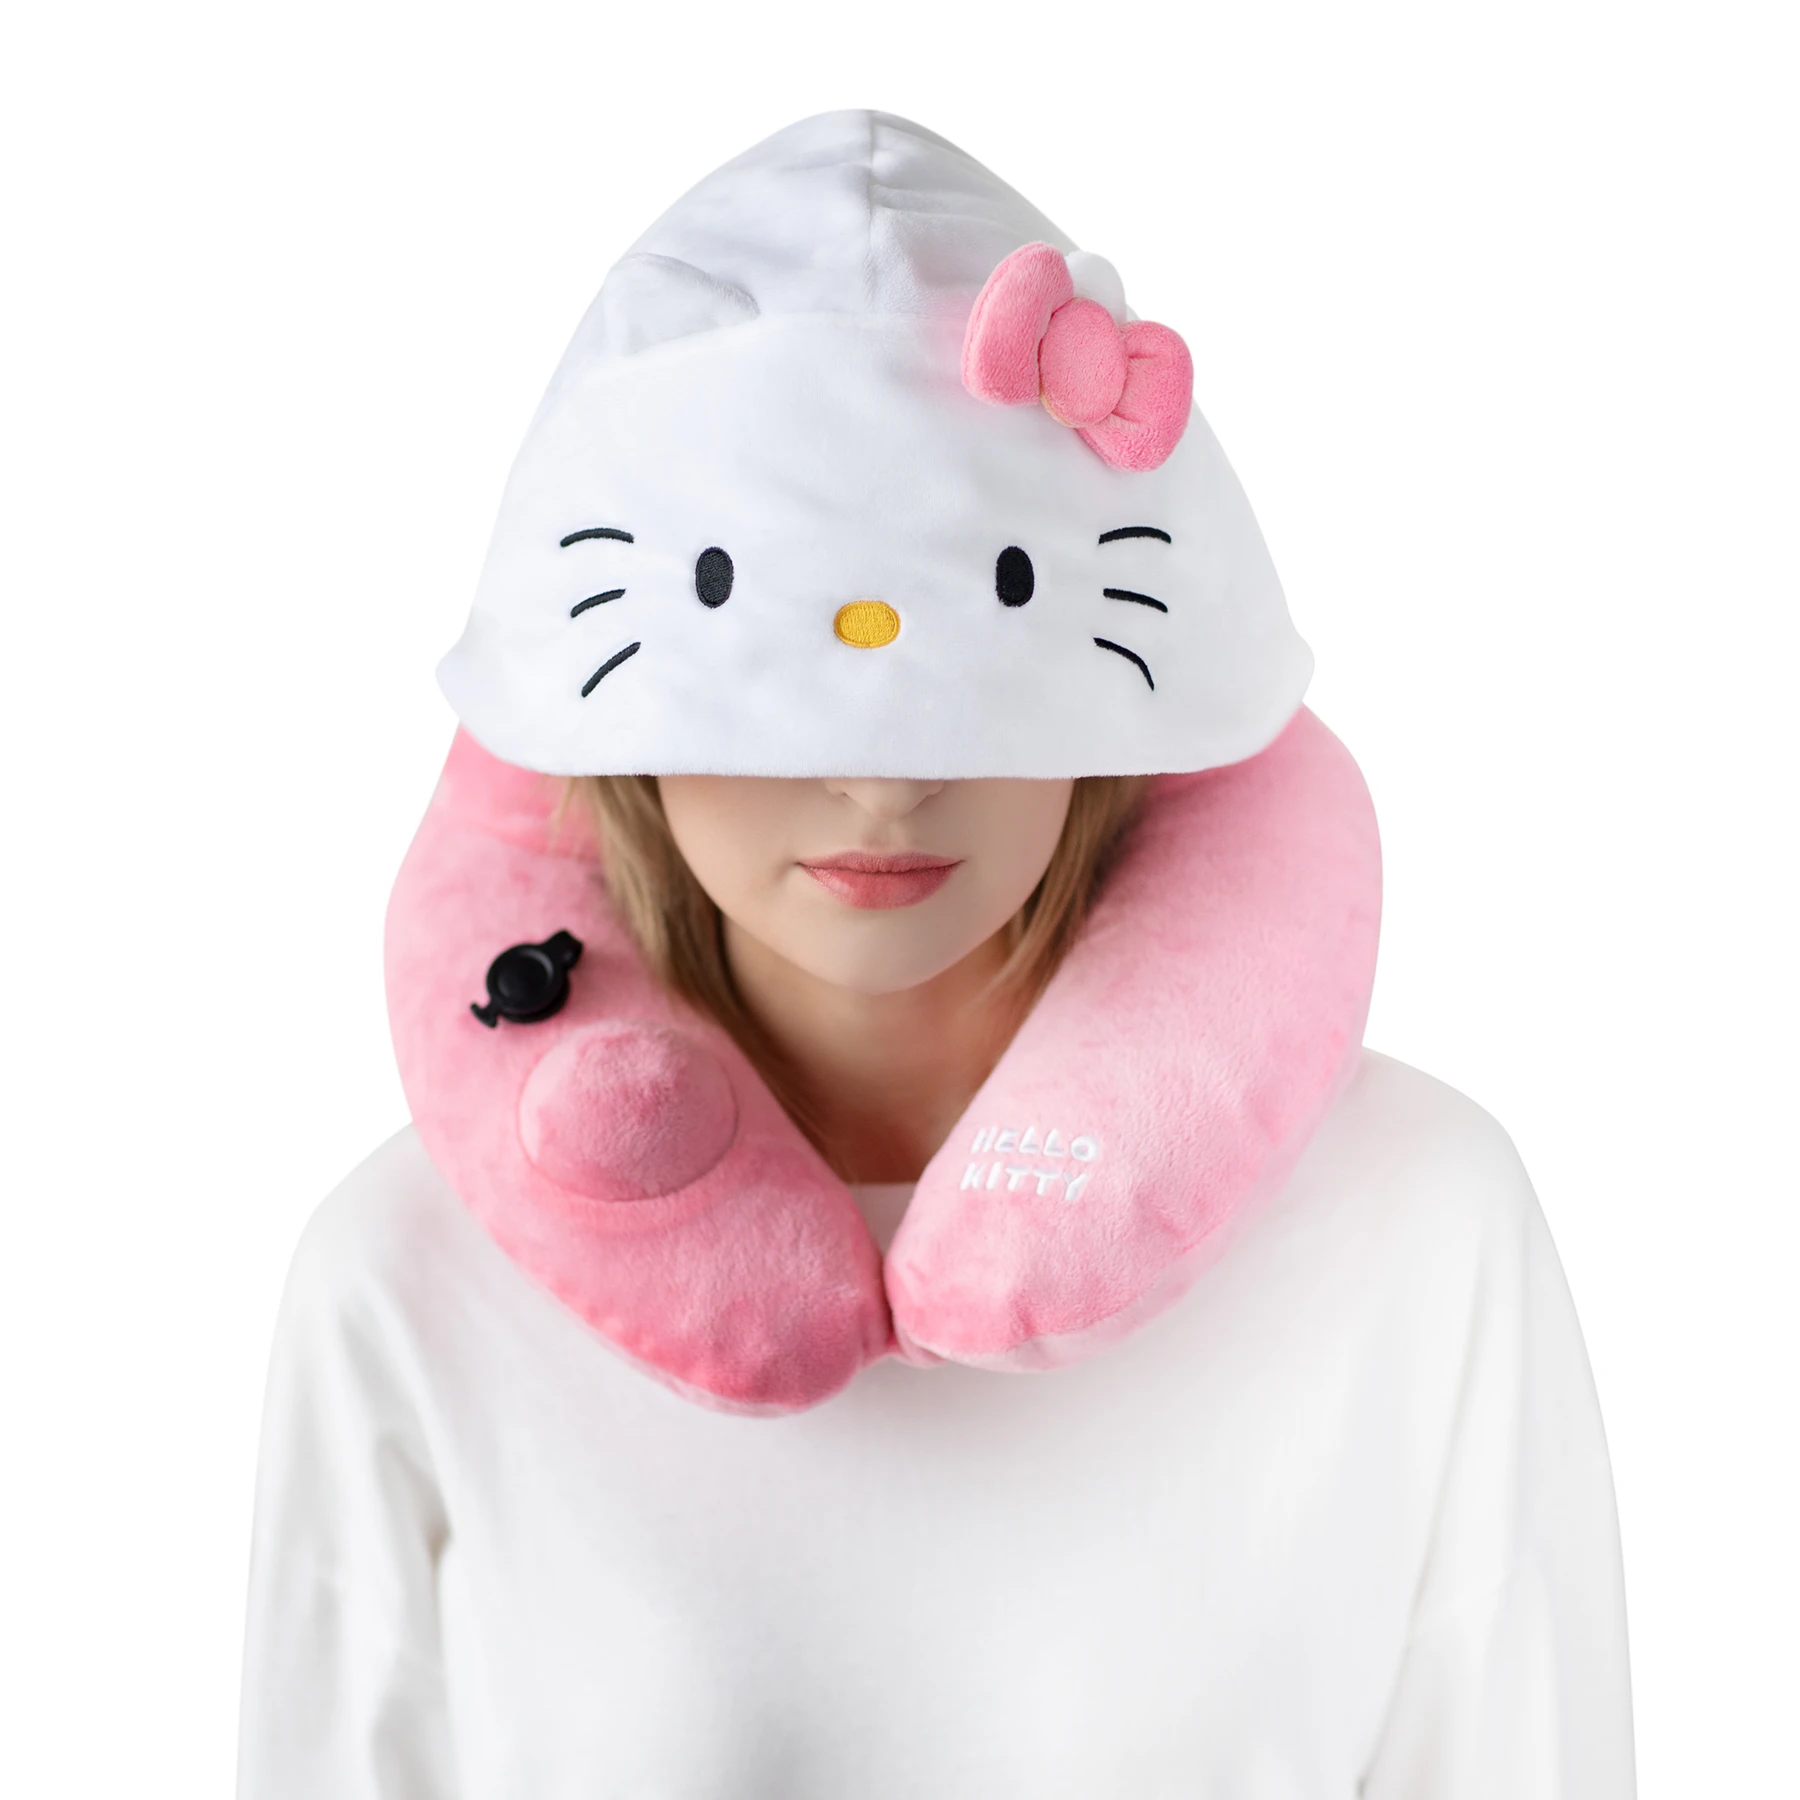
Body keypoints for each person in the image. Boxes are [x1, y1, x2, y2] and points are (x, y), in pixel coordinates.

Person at [238, 111, 1635, 1796]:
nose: (885, 781)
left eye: (986, 658)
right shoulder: (404, 1277)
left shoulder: (1417, 1226)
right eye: (774, 683)